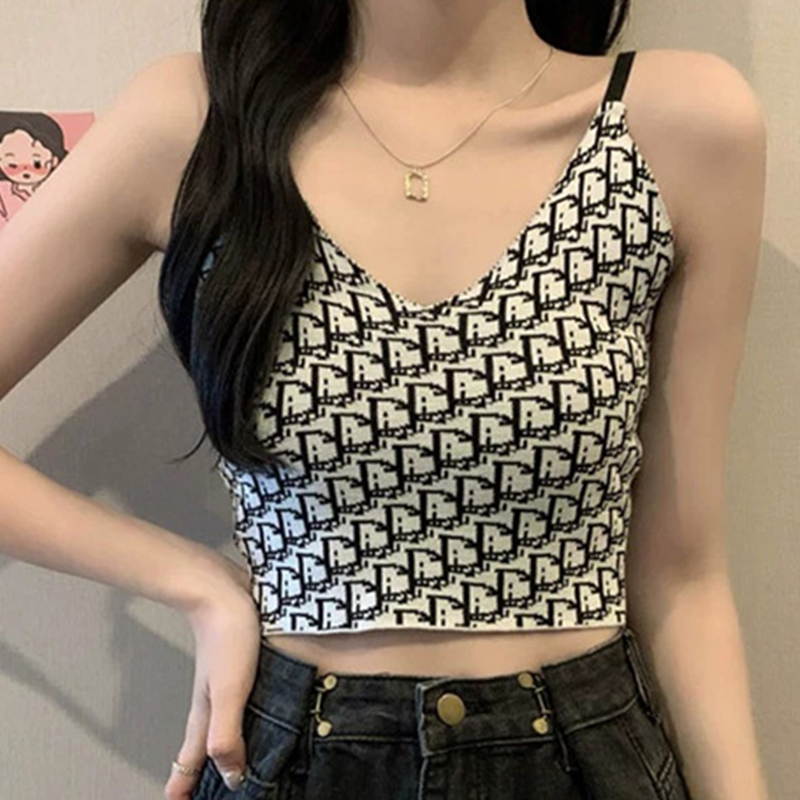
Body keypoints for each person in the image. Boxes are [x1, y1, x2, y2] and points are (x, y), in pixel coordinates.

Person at [0, 1, 770, 799]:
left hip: (581, 757)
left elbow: (682, 574)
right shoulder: (201, 124)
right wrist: (196, 583)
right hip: (294, 757)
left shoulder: (678, 125)